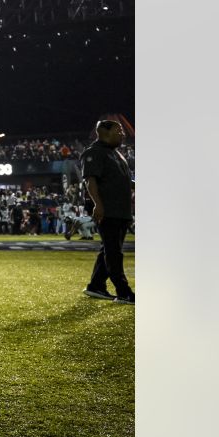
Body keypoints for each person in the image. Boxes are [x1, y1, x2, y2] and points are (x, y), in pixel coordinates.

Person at [80, 120, 135, 304]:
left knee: (110, 249)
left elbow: (122, 181)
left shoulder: (115, 153)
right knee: (114, 253)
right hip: (108, 210)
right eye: (118, 130)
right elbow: (90, 181)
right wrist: (98, 205)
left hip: (121, 211)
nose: (122, 133)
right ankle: (123, 292)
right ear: (103, 132)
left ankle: (95, 286)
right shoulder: (94, 153)